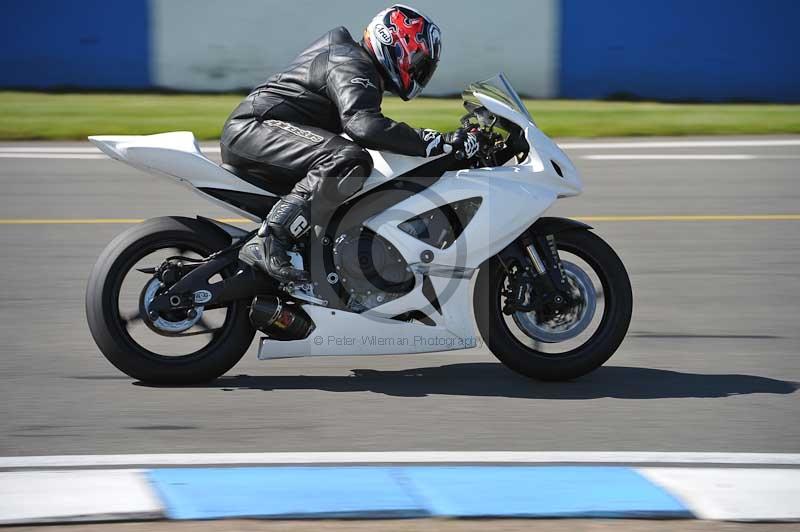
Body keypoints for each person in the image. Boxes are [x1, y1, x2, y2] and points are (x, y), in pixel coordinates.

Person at [220, 4, 479, 283]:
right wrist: (432, 141)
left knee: (355, 173)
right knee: (348, 158)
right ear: (394, 42)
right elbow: (363, 125)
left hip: (266, 132)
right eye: (417, 62)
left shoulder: (360, 65)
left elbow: (370, 124)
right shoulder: (350, 61)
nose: (417, 72)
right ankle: (271, 239)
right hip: (254, 127)